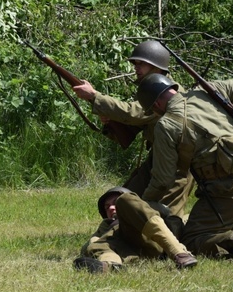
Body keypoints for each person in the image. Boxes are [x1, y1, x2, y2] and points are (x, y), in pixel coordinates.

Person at [135, 73, 233, 261]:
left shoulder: (166, 125)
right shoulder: (209, 91)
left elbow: (163, 181)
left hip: (229, 194)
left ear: (157, 105)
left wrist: (142, 205)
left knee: (190, 239)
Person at [72, 40, 193, 218]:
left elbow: (134, 113)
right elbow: (137, 121)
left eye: (141, 64)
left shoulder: (169, 92)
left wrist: (95, 97)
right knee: (123, 200)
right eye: (135, 64)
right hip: (157, 157)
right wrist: (111, 119)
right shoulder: (152, 88)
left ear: (157, 67)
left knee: (167, 216)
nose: (136, 68)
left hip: (177, 163)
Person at [74, 186, 197, 273]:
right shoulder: (105, 227)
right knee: (97, 245)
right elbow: (88, 247)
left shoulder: (141, 209)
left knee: (125, 200)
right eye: (107, 207)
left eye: (114, 203)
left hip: (150, 238)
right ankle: (110, 267)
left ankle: (180, 253)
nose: (111, 207)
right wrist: (94, 243)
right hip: (128, 250)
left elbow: (179, 218)